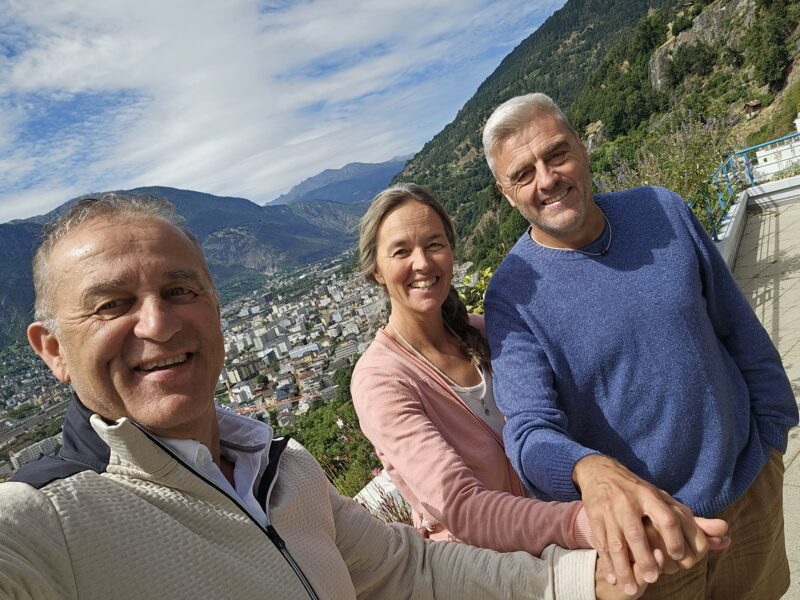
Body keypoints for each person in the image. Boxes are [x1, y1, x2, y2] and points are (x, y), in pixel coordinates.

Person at [1, 192, 627, 600]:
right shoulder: (48, 522)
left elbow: (412, 571)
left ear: (216, 305)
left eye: (181, 289)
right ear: (52, 349)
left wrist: (582, 577)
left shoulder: (285, 470)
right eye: (112, 304)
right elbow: (457, 512)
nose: (158, 324)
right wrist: (585, 530)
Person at [481, 92, 799, 599]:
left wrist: (774, 438)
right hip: (651, 542)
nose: (546, 179)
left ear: (583, 149)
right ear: (506, 192)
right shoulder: (512, 297)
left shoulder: (662, 210)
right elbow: (528, 432)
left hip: (749, 489)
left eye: (556, 153)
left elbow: (738, 328)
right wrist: (588, 470)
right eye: (523, 173)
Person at [352, 182, 595, 556]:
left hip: (563, 542)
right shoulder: (381, 380)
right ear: (376, 272)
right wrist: (587, 523)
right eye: (401, 251)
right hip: (493, 569)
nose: (422, 263)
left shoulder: (484, 330)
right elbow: (462, 507)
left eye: (434, 244)